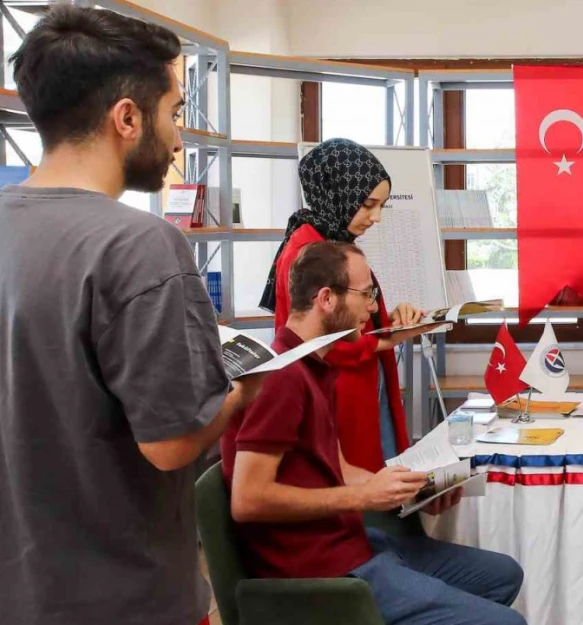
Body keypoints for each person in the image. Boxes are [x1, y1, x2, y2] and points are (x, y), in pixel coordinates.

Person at [0, 7, 264, 625]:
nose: (177, 140)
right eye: (173, 114)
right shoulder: (139, 245)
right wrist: (247, 386)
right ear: (126, 117)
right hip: (124, 599)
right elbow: (172, 442)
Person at [224, 242, 526, 625]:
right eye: (367, 294)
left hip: (356, 545)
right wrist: (361, 496)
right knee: (506, 622)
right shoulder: (283, 377)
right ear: (326, 299)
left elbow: (339, 468)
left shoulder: (314, 365)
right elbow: (248, 500)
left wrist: (412, 490)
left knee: (503, 575)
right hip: (326, 573)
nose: (373, 306)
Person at [259, 138, 430, 472]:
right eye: (367, 204)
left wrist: (389, 319)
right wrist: (387, 338)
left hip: (355, 388)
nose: (376, 217)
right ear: (337, 191)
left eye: (380, 205)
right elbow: (317, 338)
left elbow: (347, 316)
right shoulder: (307, 250)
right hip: (338, 396)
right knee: (357, 492)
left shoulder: (330, 240)